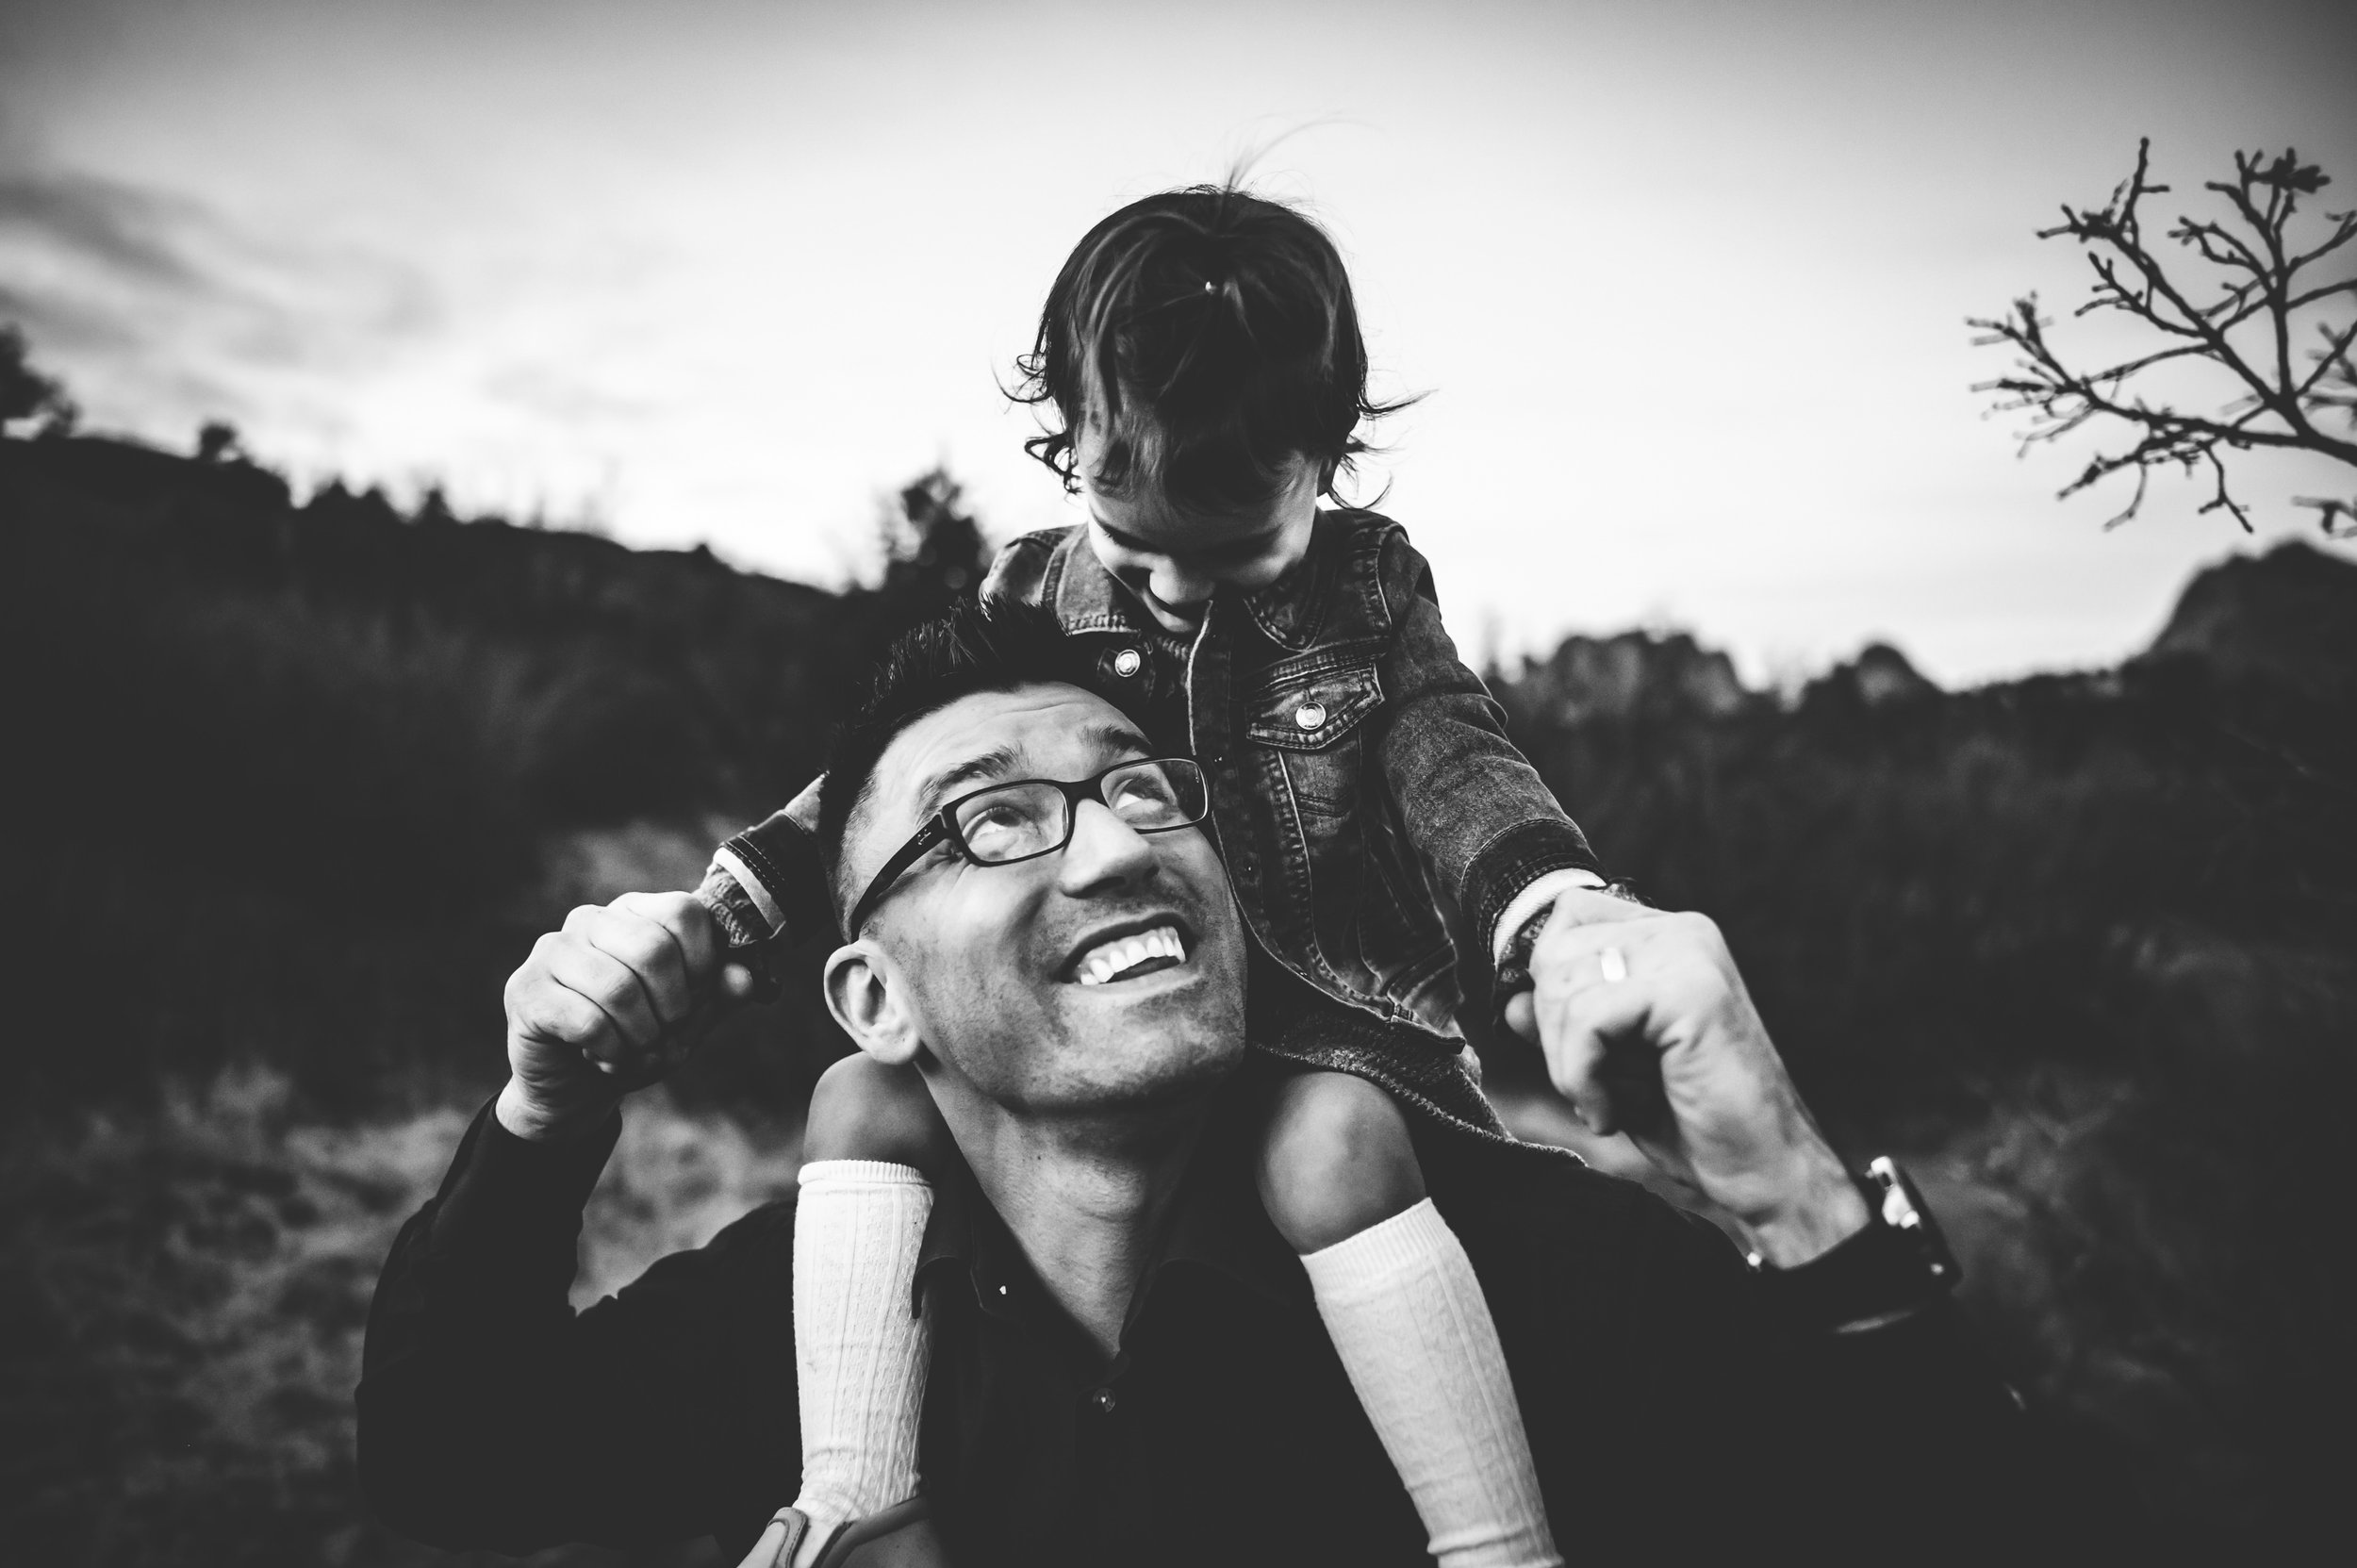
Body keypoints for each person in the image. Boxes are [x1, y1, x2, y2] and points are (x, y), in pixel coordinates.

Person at [359, 601, 2029, 1568]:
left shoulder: (1523, 1274)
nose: (1114, 848)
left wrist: (1789, 1187)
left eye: (1150, 791)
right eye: (990, 818)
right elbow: (446, 1479)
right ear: (871, 998)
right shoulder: (804, 1330)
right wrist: (541, 1120)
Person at [697, 186, 1642, 1568]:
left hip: (1323, 1046)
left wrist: (1550, 910)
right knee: (857, 1097)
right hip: (1103, 1042)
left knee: (1328, 1145)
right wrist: (744, 896)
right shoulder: (1030, 597)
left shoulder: (1370, 594)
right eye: (1134, 547)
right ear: (1070, 444)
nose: (1178, 593)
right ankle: (857, 1497)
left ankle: (1497, 1546)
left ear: (1323, 459)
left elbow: (1457, 761)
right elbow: (885, 781)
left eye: (1236, 552)